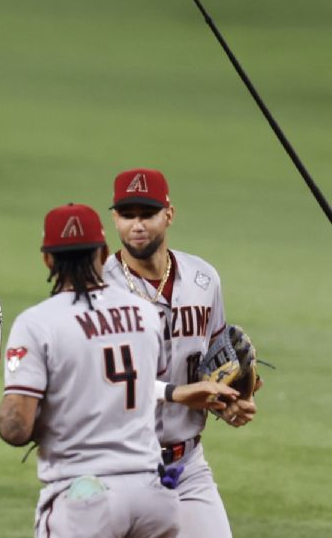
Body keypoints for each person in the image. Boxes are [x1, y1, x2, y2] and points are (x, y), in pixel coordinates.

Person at [0, 203, 185, 538]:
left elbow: (16, 427)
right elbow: (144, 386)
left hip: (86, 499)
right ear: (102, 253)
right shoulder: (145, 314)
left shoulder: (38, 323)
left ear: (48, 259)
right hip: (154, 494)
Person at [102, 167, 258, 538]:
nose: (137, 225)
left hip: (186, 465)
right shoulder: (97, 288)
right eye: (128, 215)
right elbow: (100, 381)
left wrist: (234, 399)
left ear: (168, 214)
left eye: (147, 214)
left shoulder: (204, 279)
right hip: (115, 466)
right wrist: (176, 394)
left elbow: (216, 361)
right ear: (115, 219)